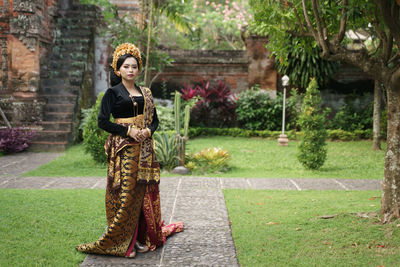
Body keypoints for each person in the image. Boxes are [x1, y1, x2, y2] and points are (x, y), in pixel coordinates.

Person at [76, 43, 183, 258]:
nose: (131, 70)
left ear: (138, 69)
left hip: (144, 150)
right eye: (126, 67)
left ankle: (140, 239)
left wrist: (147, 132)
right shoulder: (112, 93)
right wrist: (128, 131)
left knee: (142, 192)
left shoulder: (146, 93)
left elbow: (155, 122)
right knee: (125, 195)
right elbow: (103, 122)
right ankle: (124, 243)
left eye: (134, 66)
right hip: (123, 151)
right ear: (118, 70)